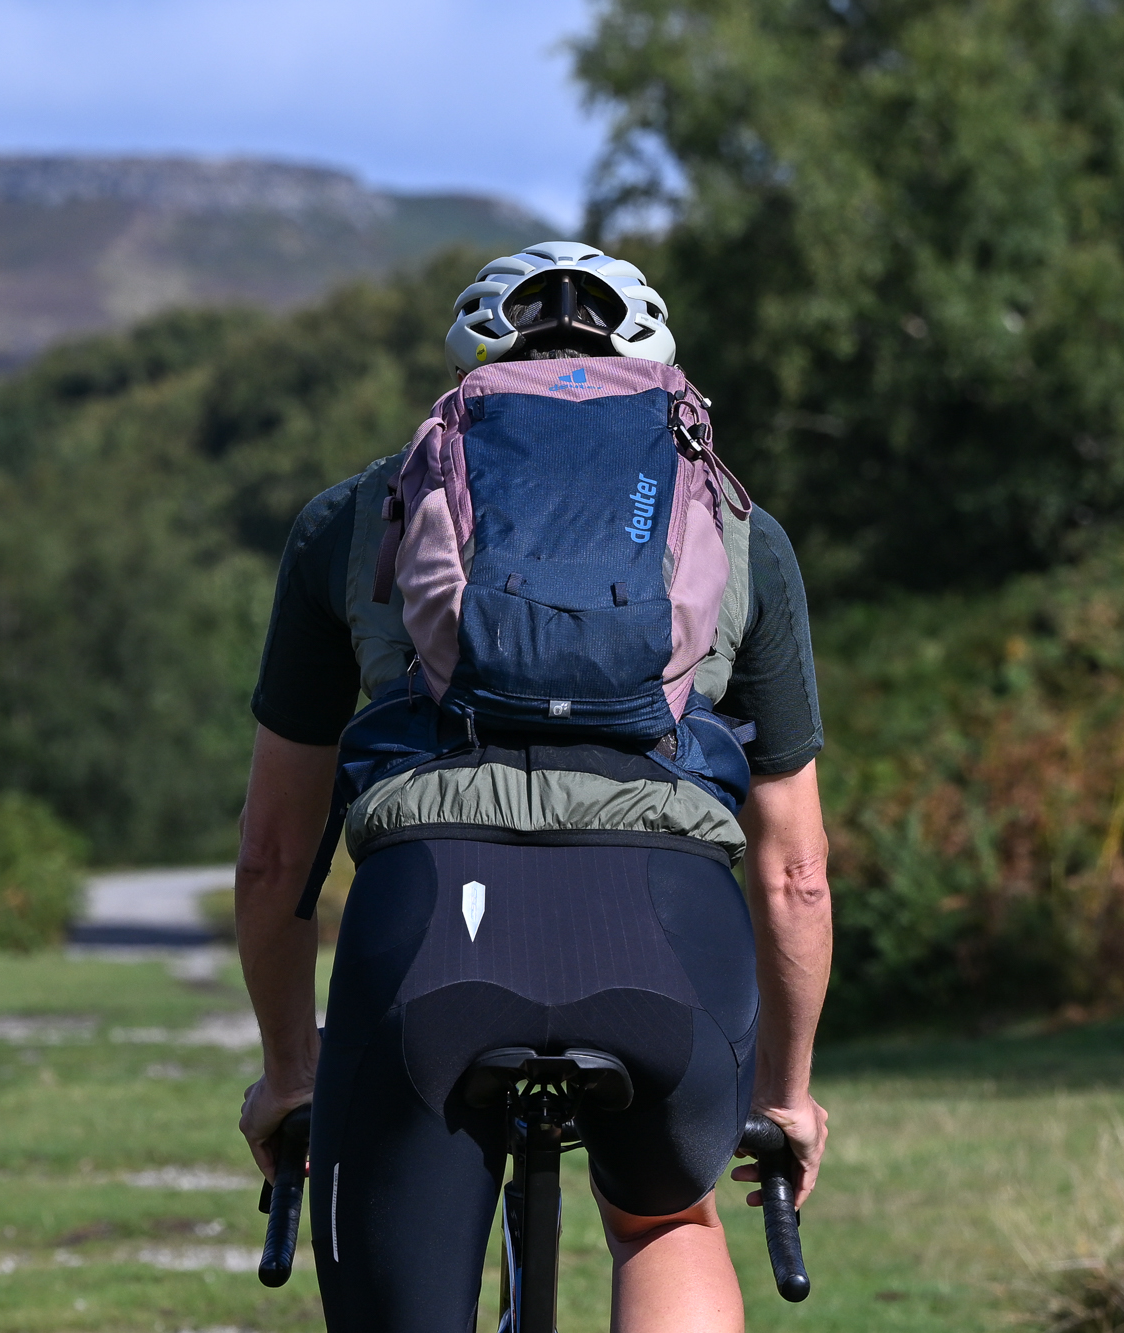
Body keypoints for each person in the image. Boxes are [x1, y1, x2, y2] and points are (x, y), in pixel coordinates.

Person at [234, 241, 832, 1333]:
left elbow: (275, 851)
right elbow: (794, 872)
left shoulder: (353, 519)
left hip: (426, 925)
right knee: (665, 1222)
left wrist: (287, 1072)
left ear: (470, 363)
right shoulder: (739, 529)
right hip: (667, 925)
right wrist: (782, 1098)